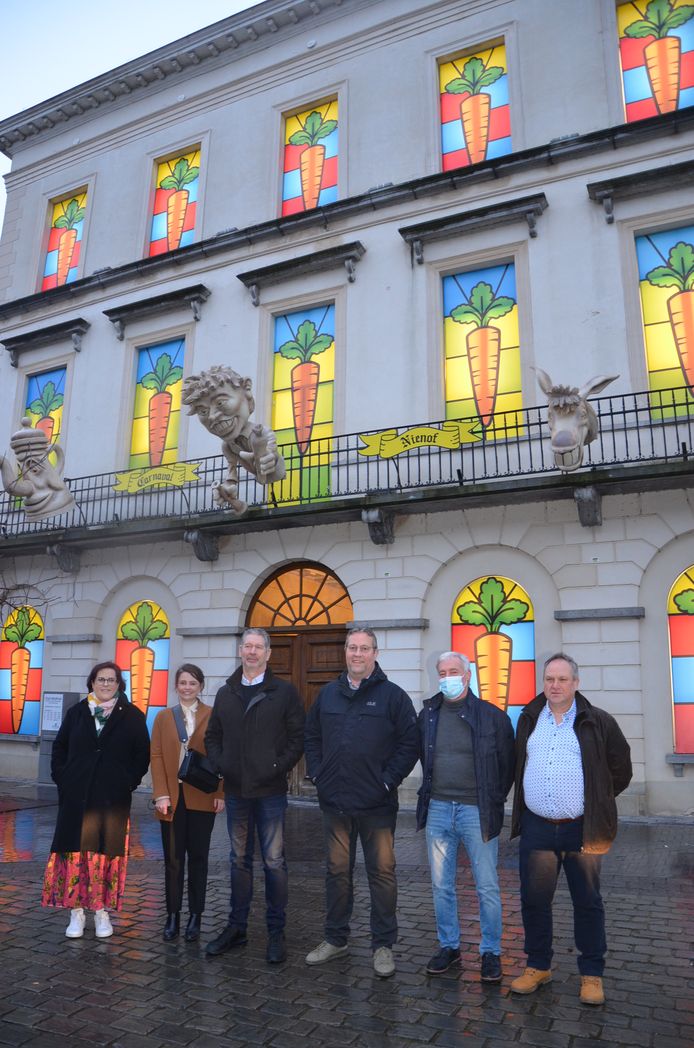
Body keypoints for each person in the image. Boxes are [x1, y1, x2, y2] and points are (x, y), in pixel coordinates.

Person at [510, 652, 632, 1005]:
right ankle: (538, 965)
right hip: (537, 829)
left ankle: (591, 974)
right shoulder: (530, 719)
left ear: (576, 683)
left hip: (582, 829)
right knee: (534, 901)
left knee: (588, 902)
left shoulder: (598, 722)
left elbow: (619, 770)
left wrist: (597, 802)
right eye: (549, 679)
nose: (555, 685)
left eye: (563, 679)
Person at [304, 627, 419, 979]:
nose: (357, 654)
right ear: (345, 651)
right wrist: (318, 774)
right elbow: (312, 736)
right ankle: (336, 939)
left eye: (364, 648)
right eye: (352, 647)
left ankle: (383, 945)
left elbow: (410, 744)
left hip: (377, 806)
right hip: (335, 802)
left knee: (381, 875)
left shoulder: (393, 697)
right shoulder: (327, 695)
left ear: (375, 653)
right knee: (337, 873)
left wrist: (387, 780)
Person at [204, 627, 305, 964]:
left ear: (268, 653)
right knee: (238, 861)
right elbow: (213, 735)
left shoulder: (284, 692)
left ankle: (276, 932)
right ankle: (237, 927)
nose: (251, 652)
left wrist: (277, 766)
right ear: (240, 651)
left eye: (258, 647)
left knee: (274, 863)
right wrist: (222, 765)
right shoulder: (226, 692)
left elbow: (297, 738)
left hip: (270, 792)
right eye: (246, 646)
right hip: (236, 791)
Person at [417, 651, 515, 980]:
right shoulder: (428, 714)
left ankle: (491, 952)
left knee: (486, 885)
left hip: (477, 811)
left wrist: (491, 799)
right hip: (439, 810)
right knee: (441, 886)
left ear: (468, 675)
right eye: (442, 671)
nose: (447, 677)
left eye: (453, 671)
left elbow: (507, 765)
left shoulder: (492, 717)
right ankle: (450, 946)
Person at [42, 661, 150, 939]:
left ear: (119, 685)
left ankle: (102, 911)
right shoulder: (76, 713)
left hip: (111, 800)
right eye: (101, 679)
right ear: (91, 682)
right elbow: (60, 747)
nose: (105, 684)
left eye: (111, 680)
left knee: (105, 855)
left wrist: (128, 782)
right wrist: (63, 778)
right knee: (76, 853)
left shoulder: (133, 716)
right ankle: (76, 911)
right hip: (76, 796)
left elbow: (142, 755)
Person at [151, 663, 225, 943]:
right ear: (176, 686)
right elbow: (156, 756)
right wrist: (161, 793)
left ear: (201, 686)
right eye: (182, 682)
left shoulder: (212, 716)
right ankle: (172, 916)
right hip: (170, 798)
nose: (187, 687)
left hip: (202, 796)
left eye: (192, 683)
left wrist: (220, 793)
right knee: (172, 860)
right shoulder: (163, 717)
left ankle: (196, 916)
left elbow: (220, 757)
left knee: (198, 859)